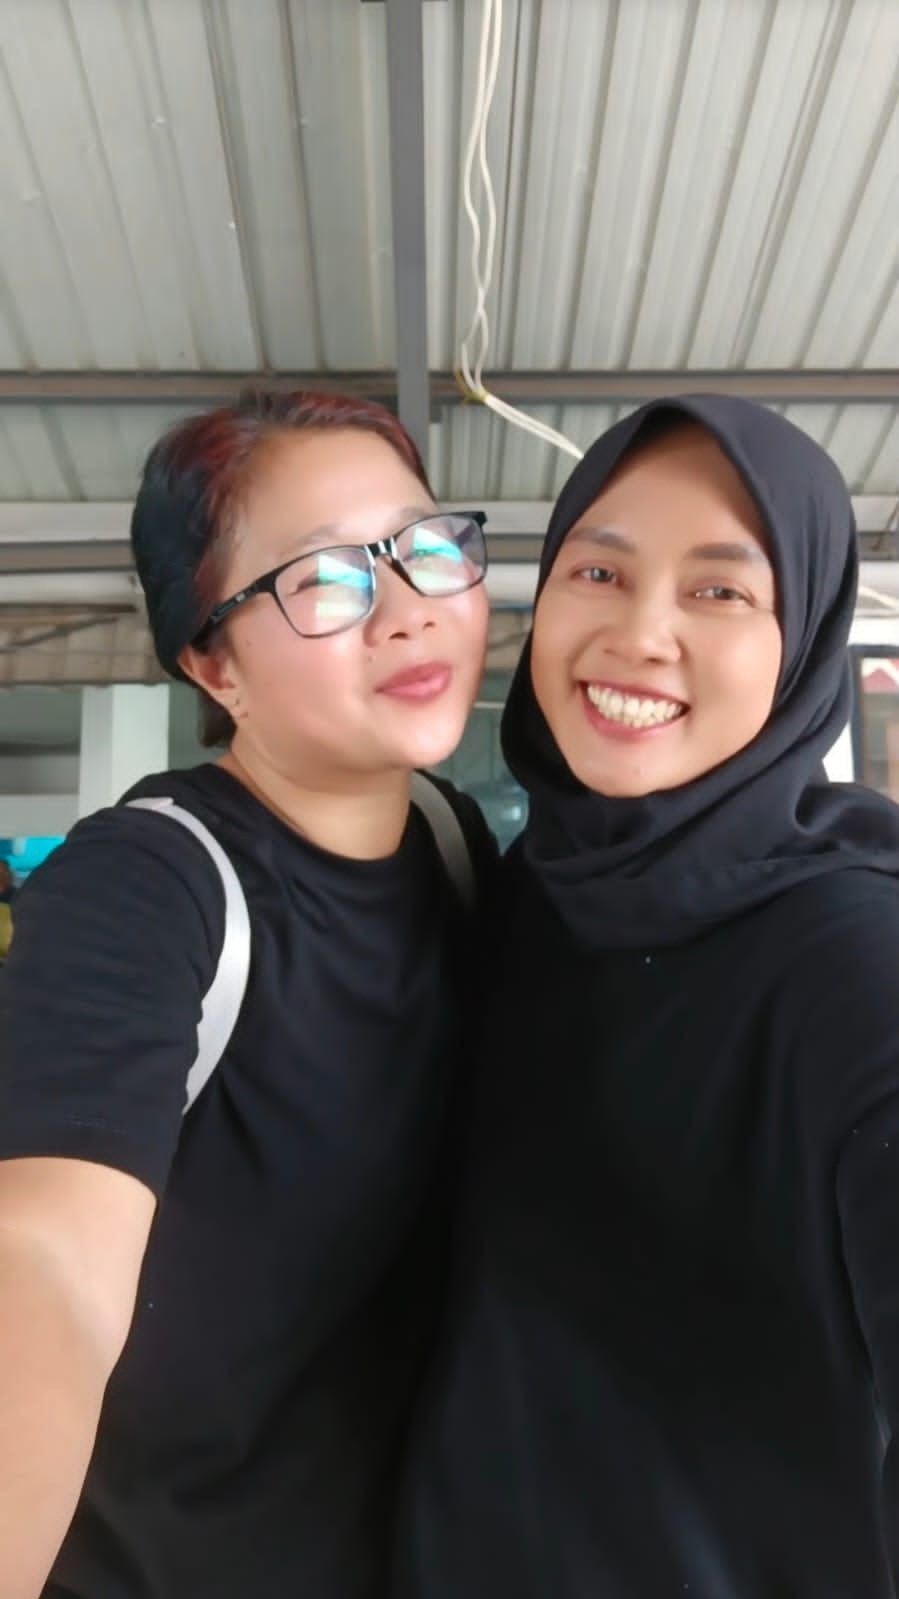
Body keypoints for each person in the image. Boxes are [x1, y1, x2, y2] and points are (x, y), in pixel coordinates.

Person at [394, 396, 899, 1598]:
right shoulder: (522, 898)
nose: (639, 633)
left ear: (802, 646)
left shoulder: (848, 953)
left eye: (718, 590)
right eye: (597, 572)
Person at [0, 388, 494, 1599]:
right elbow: (43, 1265)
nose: (406, 608)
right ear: (212, 662)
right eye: (325, 578)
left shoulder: (450, 844)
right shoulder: (145, 886)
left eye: (423, 546)